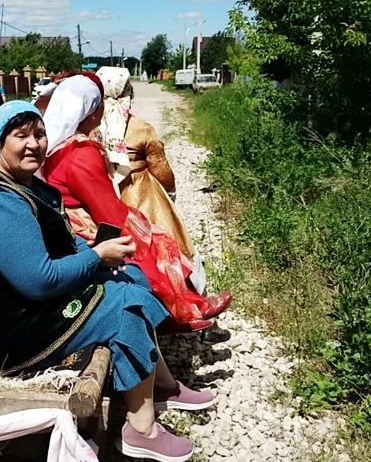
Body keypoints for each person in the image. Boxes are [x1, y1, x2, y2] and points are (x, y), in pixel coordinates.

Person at [0, 101, 214, 462]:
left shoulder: (27, 184)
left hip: (29, 304)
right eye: (21, 136)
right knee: (124, 304)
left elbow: (66, 241)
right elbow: (38, 281)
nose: (34, 144)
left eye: (39, 134)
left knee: (133, 276)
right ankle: (141, 430)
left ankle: (161, 385)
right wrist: (96, 258)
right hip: (6, 329)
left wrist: (98, 254)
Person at [40, 74, 230, 327]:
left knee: (152, 235)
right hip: (90, 222)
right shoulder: (81, 152)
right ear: (94, 111)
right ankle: (180, 311)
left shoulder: (57, 146)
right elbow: (108, 210)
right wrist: (141, 226)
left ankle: (185, 305)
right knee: (157, 241)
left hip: (73, 218)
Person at [96, 66, 207, 294]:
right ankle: (179, 295)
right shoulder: (142, 128)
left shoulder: (92, 129)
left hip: (103, 195)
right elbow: (161, 169)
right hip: (142, 192)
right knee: (164, 242)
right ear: (128, 93)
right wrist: (170, 191)